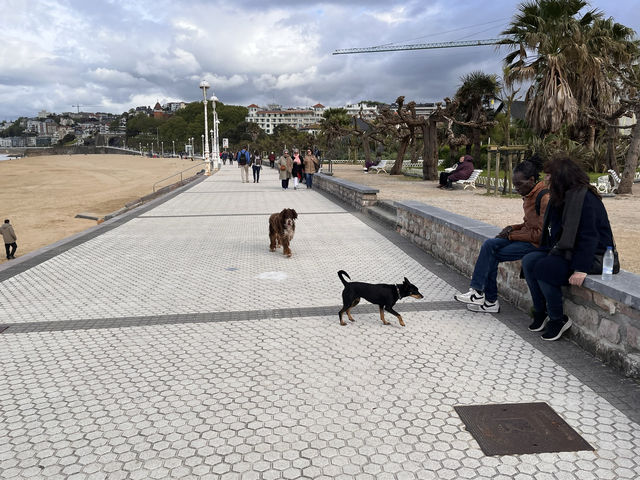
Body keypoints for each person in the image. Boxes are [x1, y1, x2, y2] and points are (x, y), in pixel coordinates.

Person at [521, 155, 618, 341]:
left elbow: (590, 236)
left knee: (544, 268)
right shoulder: (562, 197)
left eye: (549, 175)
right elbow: (557, 232)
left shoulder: (586, 199)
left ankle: (558, 319)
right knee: (529, 260)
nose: (545, 179)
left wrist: (581, 269)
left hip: (594, 255)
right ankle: (541, 311)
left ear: (561, 177)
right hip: (568, 249)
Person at [455, 155, 549, 313]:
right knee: (489, 244)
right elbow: (528, 224)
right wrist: (512, 227)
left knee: (493, 254)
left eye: (519, 184)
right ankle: (478, 292)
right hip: (525, 237)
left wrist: (511, 236)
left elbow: (540, 235)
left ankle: (489, 300)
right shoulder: (529, 195)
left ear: (532, 180)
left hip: (536, 245)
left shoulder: (544, 197)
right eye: (514, 185)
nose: (516, 188)